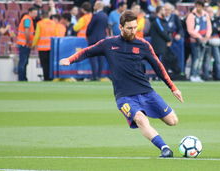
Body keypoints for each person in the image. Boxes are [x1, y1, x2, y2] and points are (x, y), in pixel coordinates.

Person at [60, 10, 183, 158]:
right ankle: (165, 148)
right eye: (129, 28)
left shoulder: (143, 45)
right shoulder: (109, 44)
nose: (133, 31)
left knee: (172, 121)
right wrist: (70, 59)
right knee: (140, 119)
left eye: (135, 27)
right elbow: (87, 51)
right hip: (124, 96)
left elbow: (158, 66)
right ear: (121, 27)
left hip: (146, 92)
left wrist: (173, 88)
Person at [186, 0, 212, 82]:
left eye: (201, 6)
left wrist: (207, 37)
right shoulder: (191, 15)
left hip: (204, 40)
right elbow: (190, 30)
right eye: (198, 6)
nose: (199, 8)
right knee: (196, 58)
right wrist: (199, 37)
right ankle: (193, 75)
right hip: (195, 40)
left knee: (201, 58)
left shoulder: (206, 15)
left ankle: (197, 74)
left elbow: (209, 27)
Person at [86, 1, 108, 80]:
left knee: (93, 58)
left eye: (95, 5)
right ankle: (99, 75)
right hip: (102, 39)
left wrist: (88, 35)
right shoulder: (105, 15)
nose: (93, 6)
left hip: (93, 39)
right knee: (101, 58)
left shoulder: (96, 15)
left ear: (98, 6)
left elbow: (90, 27)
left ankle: (94, 76)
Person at [32, 11, 57, 81]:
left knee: (44, 65)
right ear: (48, 16)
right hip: (51, 48)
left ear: (41, 17)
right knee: (50, 64)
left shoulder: (39, 24)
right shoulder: (53, 23)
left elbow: (37, 36)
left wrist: (33, 45)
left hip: (42, 48)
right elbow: (56, 35)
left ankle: (46, 79)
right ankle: (51, 78)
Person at [16, 7, 38, 81]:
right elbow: (26, 31)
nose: (36, 15)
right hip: (24, 44)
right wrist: (29, 42)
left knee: (24, 62)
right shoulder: (27, 19)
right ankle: (22, 78)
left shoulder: (28, 19)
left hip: (23, 43)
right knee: (23, 62)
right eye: (34, 13)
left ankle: (23, 78)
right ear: (30, 12)